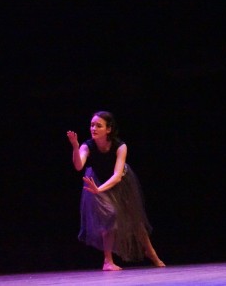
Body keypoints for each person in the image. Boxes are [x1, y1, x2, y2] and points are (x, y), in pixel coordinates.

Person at [66, 111, 165, 271]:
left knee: (135, 218)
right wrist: (75, 147)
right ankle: (107, 261)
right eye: (92, 125)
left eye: (98, 125)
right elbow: (78, 166)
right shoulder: (88, 145)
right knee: (109, 215)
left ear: (109, 129)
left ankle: (150, 251)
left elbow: (117, 176)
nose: (93, 128)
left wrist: (99, 189)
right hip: (97, 181)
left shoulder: (120, 146)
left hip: (120, 183)